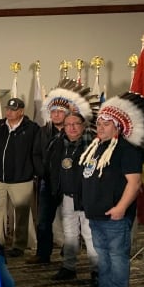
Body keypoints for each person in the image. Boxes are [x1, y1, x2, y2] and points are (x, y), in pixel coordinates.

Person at [80, 92, 144, 287]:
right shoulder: (96, 147)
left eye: (106, 124)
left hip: (115, 215)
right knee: (103, 254)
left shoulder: (127, 150)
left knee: (116, 255)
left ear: (117, 126)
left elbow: (134, 183)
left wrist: (121, 208)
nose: (100, 127)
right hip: (96, 213)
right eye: (99, 123)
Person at [30, 80, 99, 265]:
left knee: (86, 231)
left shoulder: (90, 141)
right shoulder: (49, 135)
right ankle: (56, 260)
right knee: (52, 224)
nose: (72, 128)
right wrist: (44, 174)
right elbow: (38, 155)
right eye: (53, 111)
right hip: (52, 184)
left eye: (60, 112)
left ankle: (93, 270)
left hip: (80, 191)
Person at [0, 97, 43, 257]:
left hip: (22, 179)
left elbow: (36, 153)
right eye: (8, 109)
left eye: (13, 110)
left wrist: (32, 172)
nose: (9, 112)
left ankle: (19, 246)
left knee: (22, 213)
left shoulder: (32, 129)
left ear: (21, 111)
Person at [48, 111, 97, 284]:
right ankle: (69, 267)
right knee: (69, 234)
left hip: (87, 197)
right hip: (66, 196)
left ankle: (96, 271)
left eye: (75, 124)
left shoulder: (93, 143)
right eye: (68, 125)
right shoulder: (59, 143)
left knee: (90, 235)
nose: (72, 128)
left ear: (83, 125)